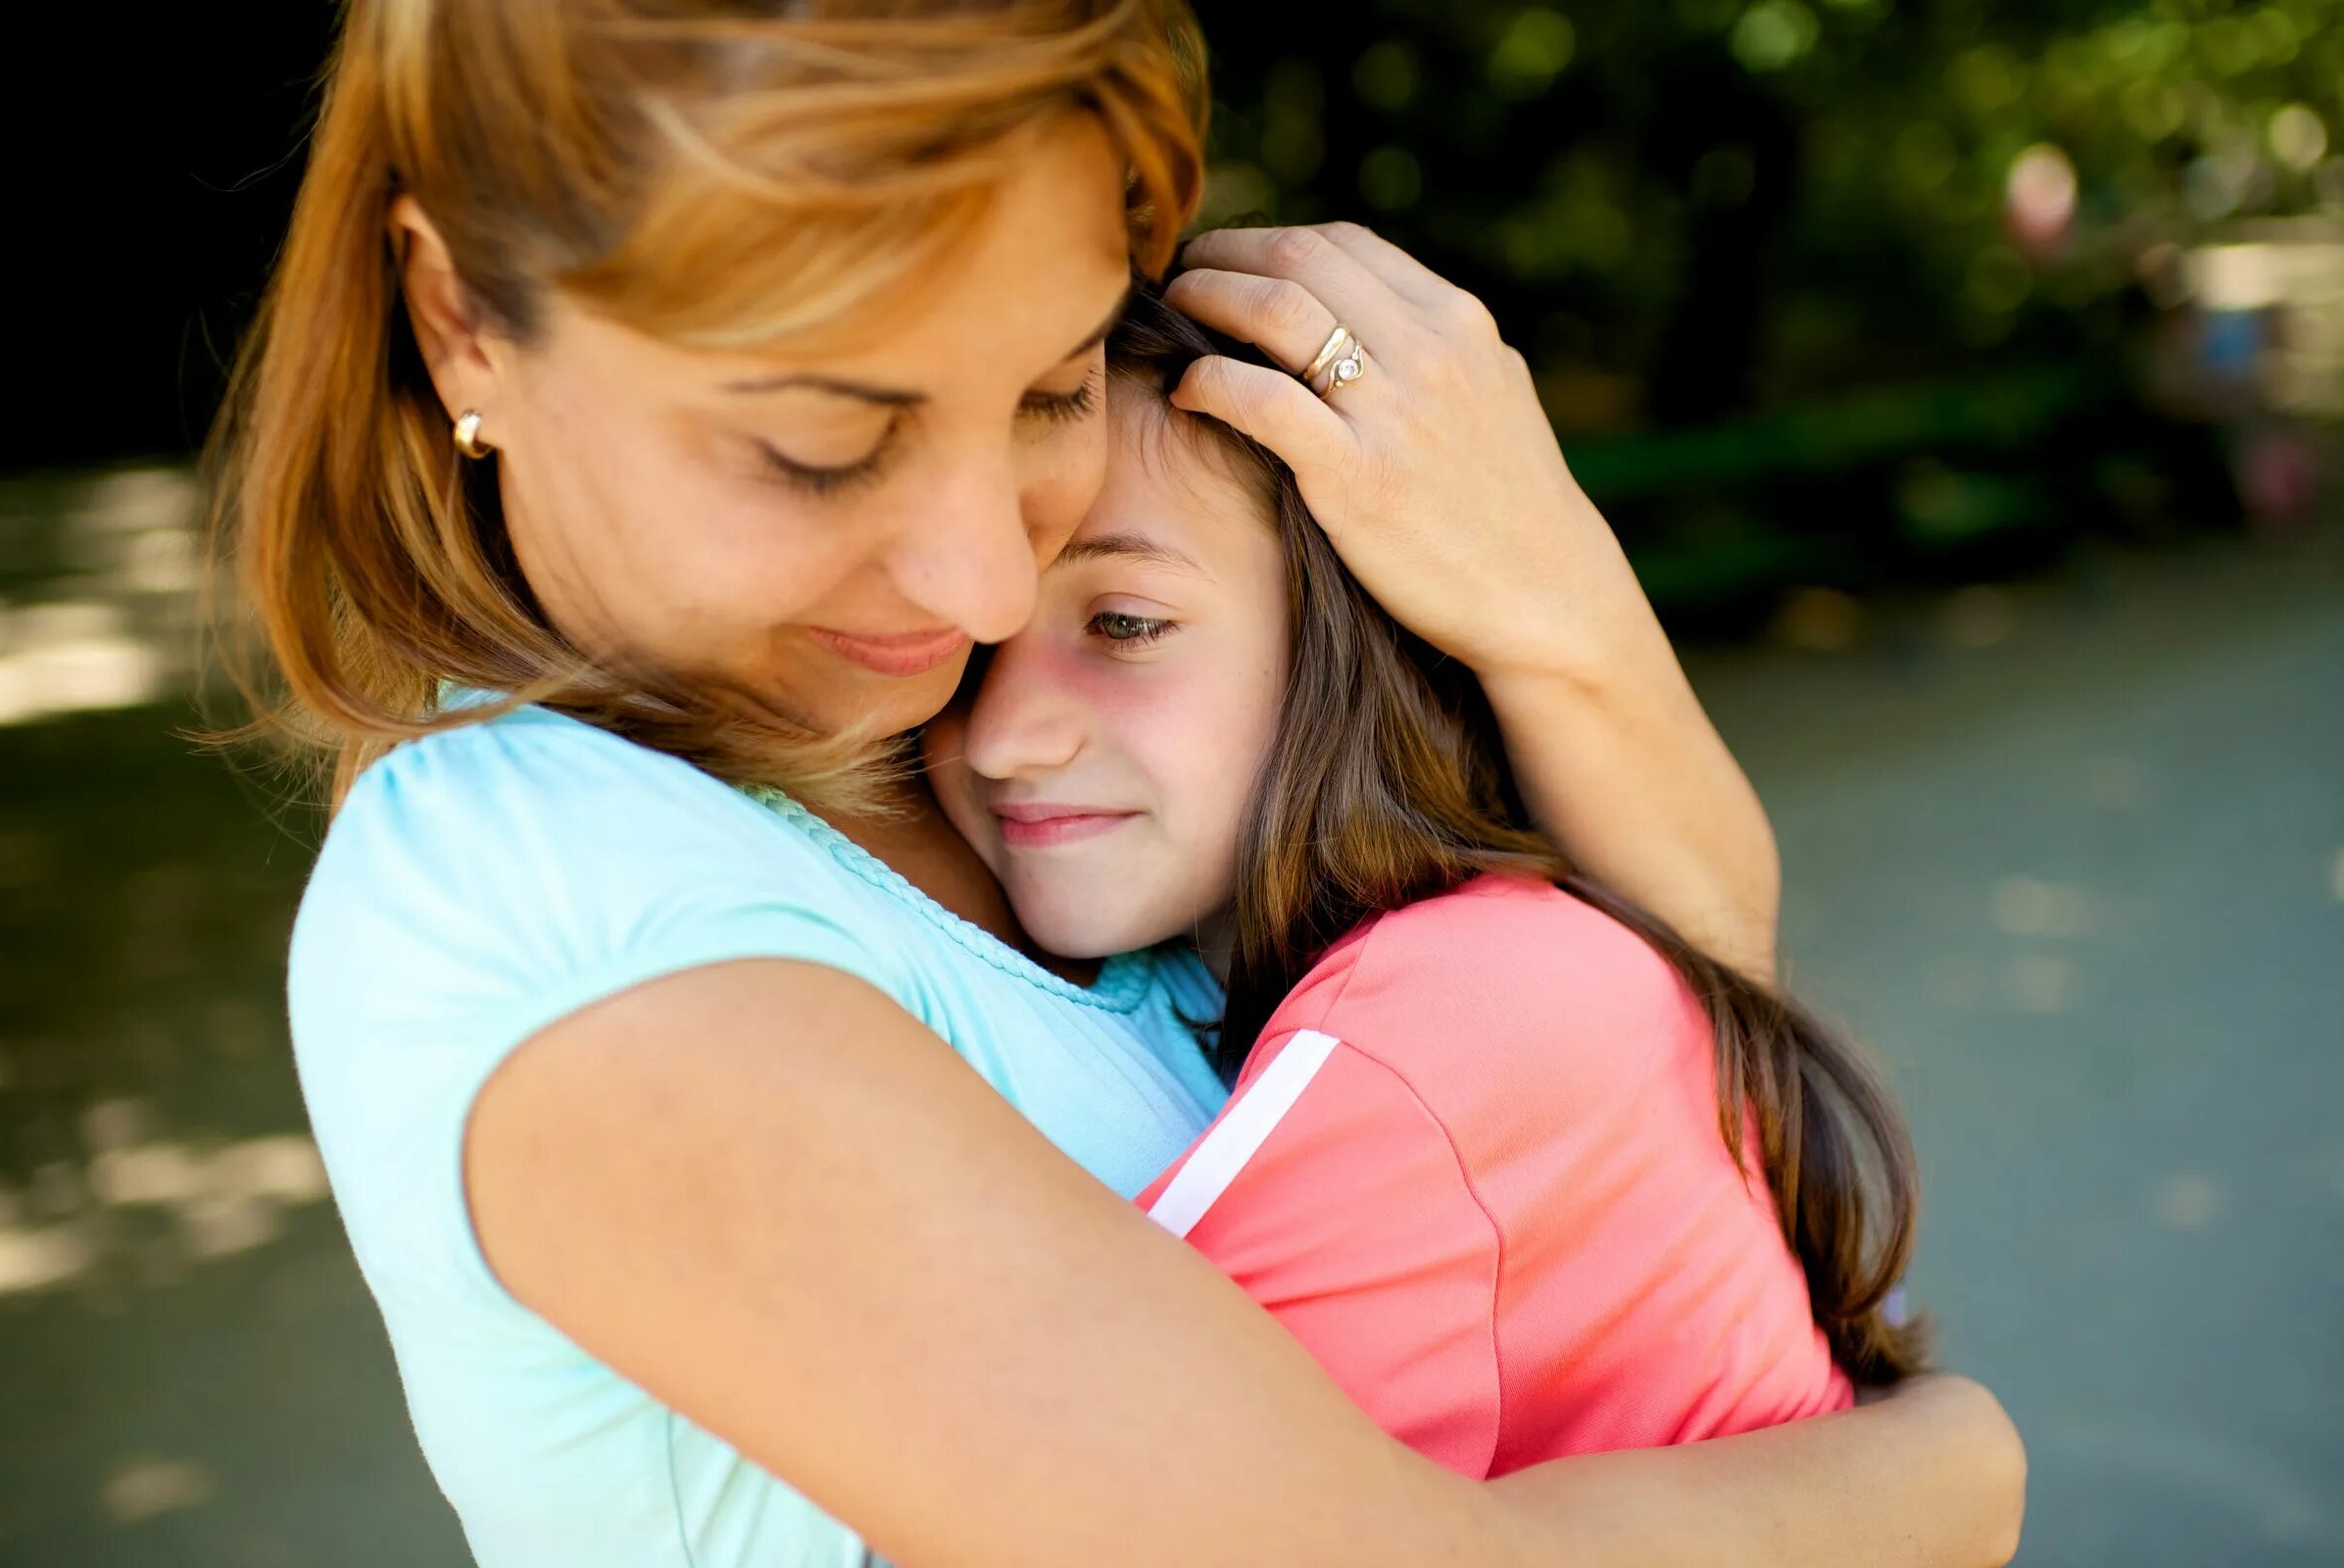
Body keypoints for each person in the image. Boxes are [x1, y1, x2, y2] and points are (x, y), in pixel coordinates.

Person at [219, 3, 2026, 1564]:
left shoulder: (929, 749)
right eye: (819, 447)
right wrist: (1949, 1479)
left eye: (1050, 387)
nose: (984, 594)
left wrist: (1549, 595)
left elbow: (1679, 1026)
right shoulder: (554, 918)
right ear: (461, 319)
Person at [926, 285, 1929, 1475]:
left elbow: (1089, 1507)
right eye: (970, 640)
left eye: (1128, 623)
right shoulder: (1517, 947)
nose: (1000, 736)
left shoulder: (1441, 1030)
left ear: (1359, 631)